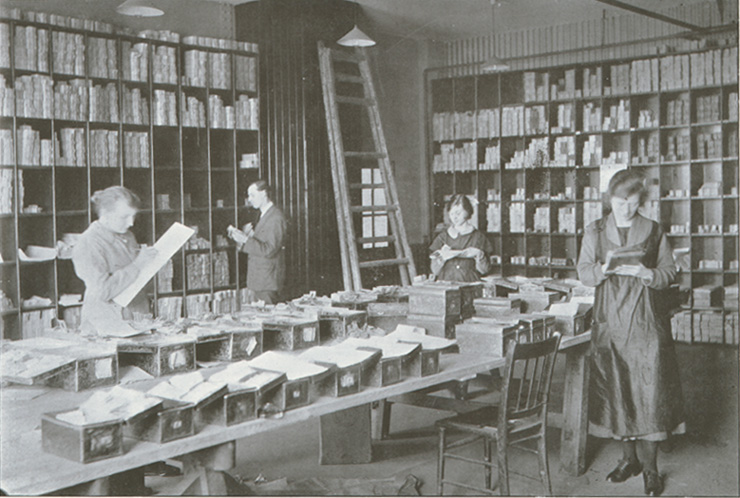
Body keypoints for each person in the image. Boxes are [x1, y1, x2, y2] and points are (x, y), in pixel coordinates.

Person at [577, 169, 684, 497]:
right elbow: (583, 272)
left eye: (633, 203)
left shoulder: (653, 231)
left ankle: (650, 470)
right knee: (617, 393)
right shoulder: (595, 230)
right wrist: (602, 270)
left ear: (641, 202)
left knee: (648, 395)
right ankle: (628, 460)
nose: (626, 209)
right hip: (611, 322)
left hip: (645, 324)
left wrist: (648, 272)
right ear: (610, 199)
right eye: (620, 202)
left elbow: (669, 272)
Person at [72, 186, 158, 333]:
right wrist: (138, 264)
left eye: (133, 216)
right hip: (107, 323)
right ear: (105, 215)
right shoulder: (89, 242)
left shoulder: (127, 235)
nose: (131, 223)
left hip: (136, 317)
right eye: (124, 217)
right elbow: (102, 291)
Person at [227, 180, 287, 304]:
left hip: (267, 282)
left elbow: (269, 249)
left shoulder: (275, 217)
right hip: (261, 280)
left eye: (252, 195)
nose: (249, 199)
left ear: (264, 194)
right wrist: (245, 238)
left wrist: (245, 240)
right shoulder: (264, 215)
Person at [429, 194, 492, 282]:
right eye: (451, 213)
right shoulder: (443, 237)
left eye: (458, 213)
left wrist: (479, 255)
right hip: (446, 283)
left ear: (468, 212)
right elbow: (434, 271)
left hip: (469, 283)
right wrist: (441, 259)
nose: (455, 217)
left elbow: (484, 270)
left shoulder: (478, 237)